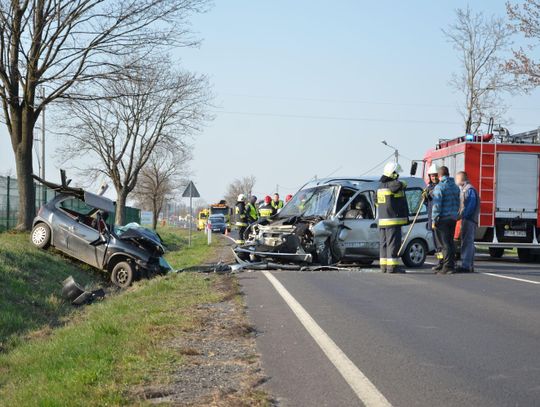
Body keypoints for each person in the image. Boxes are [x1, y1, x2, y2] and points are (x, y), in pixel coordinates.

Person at [377, 162, 409, 273]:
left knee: (384, 244)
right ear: (393, 173)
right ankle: (393, 267)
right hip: (392, 220)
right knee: (393, 244)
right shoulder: (394, 184)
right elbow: (401, 184)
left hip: (382, 221)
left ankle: (384, 267)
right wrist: (403, 183)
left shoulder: (380, 186)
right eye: (397, 174)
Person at [431, 166, 461, 274]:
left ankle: (447, 266)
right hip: (453, 218)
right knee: (450, 242)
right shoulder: (455, 187)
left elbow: (437, 205)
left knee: (444, 243)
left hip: (443, 219)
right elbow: (458, 202)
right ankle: (451, 265)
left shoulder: (439, 187)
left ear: (439, 176)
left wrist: (434, 219)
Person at [456, 171, 480, 273]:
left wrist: (461, 216)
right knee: (467, 242)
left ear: (461, 179)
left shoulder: (469, 190)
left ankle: (466, 266)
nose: (456, 181)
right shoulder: (466, 189)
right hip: (468, 219)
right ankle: (469, 265)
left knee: (467, 242)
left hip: (469, 220)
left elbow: (470, 207)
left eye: (456, 179)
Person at [423, 163, 443, 271]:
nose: (434, 177)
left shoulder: (440, 187)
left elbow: (436, 196)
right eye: (432, 175)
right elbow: (428, 204)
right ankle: (440, 261)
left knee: (440, 242)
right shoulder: (429, 187)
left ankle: (442, 262)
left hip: (438, 219)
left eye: (435, 175)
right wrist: (425, 197)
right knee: (435, 242)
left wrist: (429, 194)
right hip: (431, 217)